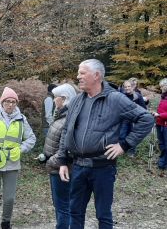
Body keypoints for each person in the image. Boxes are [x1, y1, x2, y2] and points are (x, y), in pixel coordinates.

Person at [57, 59, 154, 229]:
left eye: (82, 73)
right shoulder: (76, 101)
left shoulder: (115, 99)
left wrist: (124, 145)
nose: (78, 76)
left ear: (97, 75)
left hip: (103, 168)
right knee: (75, 211)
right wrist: (63, 161)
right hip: (78, 166)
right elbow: (66, 131)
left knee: (103, 214)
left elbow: (145, 119)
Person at [0, 87, 36, 229]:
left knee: (9, 197)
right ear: (2, 102)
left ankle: (6, 222)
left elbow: (31, 138)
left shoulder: (22, 119)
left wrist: (20, 149)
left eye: (13, 102)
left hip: (12, 162)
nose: (10, 104)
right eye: (7, 101)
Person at [42, 83, 76, 229]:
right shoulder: (60, 115)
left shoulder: (69, 118)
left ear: (63, 98)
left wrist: (50, 161)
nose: (53, 100)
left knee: (63, 206)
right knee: (60, 204)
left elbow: (68, 149)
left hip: (63, 169)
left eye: (55, 98)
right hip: (55, 168)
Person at [120, 80, 147, 157]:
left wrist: (136, 108)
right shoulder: (122, 95)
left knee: (133, 136)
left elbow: (144, 108)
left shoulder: (137, 96)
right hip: (124, 119)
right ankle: (123, 149)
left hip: (135, 120)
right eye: (125, 87)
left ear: (132, 87)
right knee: (122, 135)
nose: (127, 88)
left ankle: (131, 151)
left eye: (129, 86)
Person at [152, 78, 167, 174]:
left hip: (165, 124)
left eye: (162, 86)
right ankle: (163, 159)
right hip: (159, 123)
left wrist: (160, 115)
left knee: (166, 144)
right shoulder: (163, 96)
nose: (161, 88)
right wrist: (155, 114)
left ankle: (162, 163)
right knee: (161, 143)